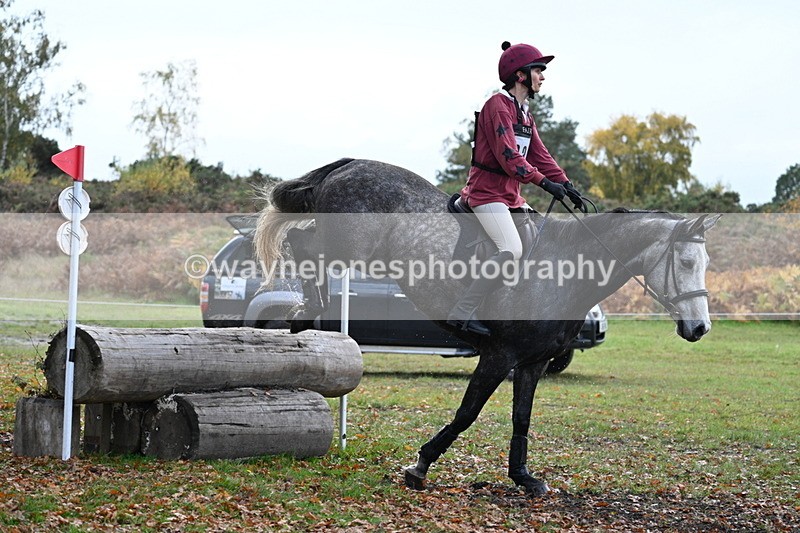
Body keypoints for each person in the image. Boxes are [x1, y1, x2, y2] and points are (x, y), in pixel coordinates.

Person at [446, 41, 585, 336]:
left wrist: (566, 184)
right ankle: (461, 311)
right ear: (521, 75)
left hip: (510, 197)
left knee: (539, 243)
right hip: (485, 194)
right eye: (539, 71)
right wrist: (545, 184)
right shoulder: (496, 106)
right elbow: (510, 158)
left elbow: (539, 154)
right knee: (510, 249)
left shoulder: (524, 112)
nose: (543, 77)